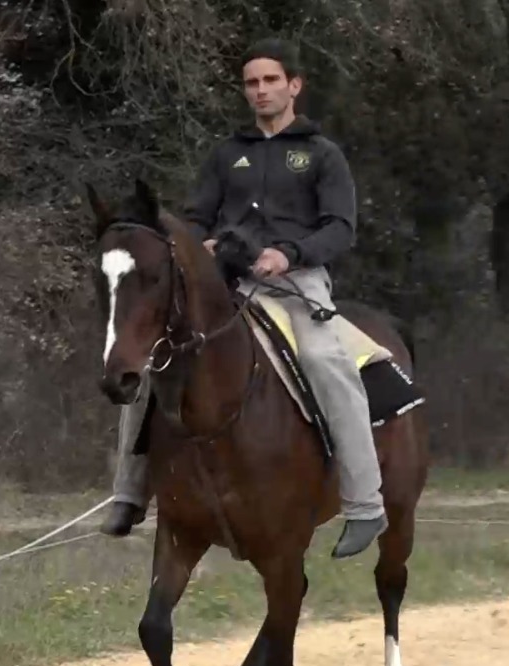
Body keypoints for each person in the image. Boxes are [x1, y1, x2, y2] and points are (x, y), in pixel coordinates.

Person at [100, 37, 388, 559]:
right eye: (252, 82)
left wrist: (290, 252)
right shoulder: (226, 155)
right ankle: (129, 491)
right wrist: (197, 243)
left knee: (327, 361)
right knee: (151, 359)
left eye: (271, 80)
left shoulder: (322, 155)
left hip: (297, 285)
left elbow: (340, 228)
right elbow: (194, 217)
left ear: (294, 86)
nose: (260, 90)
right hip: (225, 285)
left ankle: (365, 503)